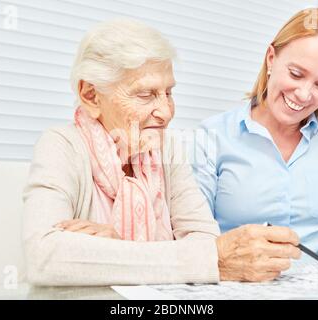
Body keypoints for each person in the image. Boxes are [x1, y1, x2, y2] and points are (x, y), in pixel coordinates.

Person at [22, 19, 301, 286]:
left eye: (168, 93)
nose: (166, 113)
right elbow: (44, 257)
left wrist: (112, 251)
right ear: (91, 95)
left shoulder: (168, 150)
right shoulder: (60, 146)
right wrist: (159, 254)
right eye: (145, 95)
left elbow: (205, 241)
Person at [193, 8, 318, 277]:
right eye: (296, 74)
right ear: (271, 58)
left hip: (316, 288)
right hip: (236, 285)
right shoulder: (211, 137)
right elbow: (192, 237)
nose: (304, 94)